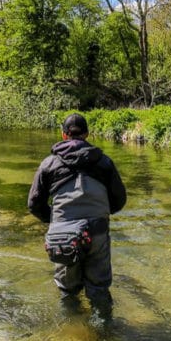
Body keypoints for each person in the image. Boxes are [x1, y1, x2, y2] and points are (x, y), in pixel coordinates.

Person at [28, 113, 126, 320]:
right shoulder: (104, 162)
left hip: (63, 234)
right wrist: (103, 214)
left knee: (67, 291)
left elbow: (34, 204)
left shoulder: (48, 164)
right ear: (87, 134)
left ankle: (73, 336)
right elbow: (119, 200)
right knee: (99, 290)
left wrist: (54, 220)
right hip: (97, 230)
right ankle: (104, 337)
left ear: (63, 135)